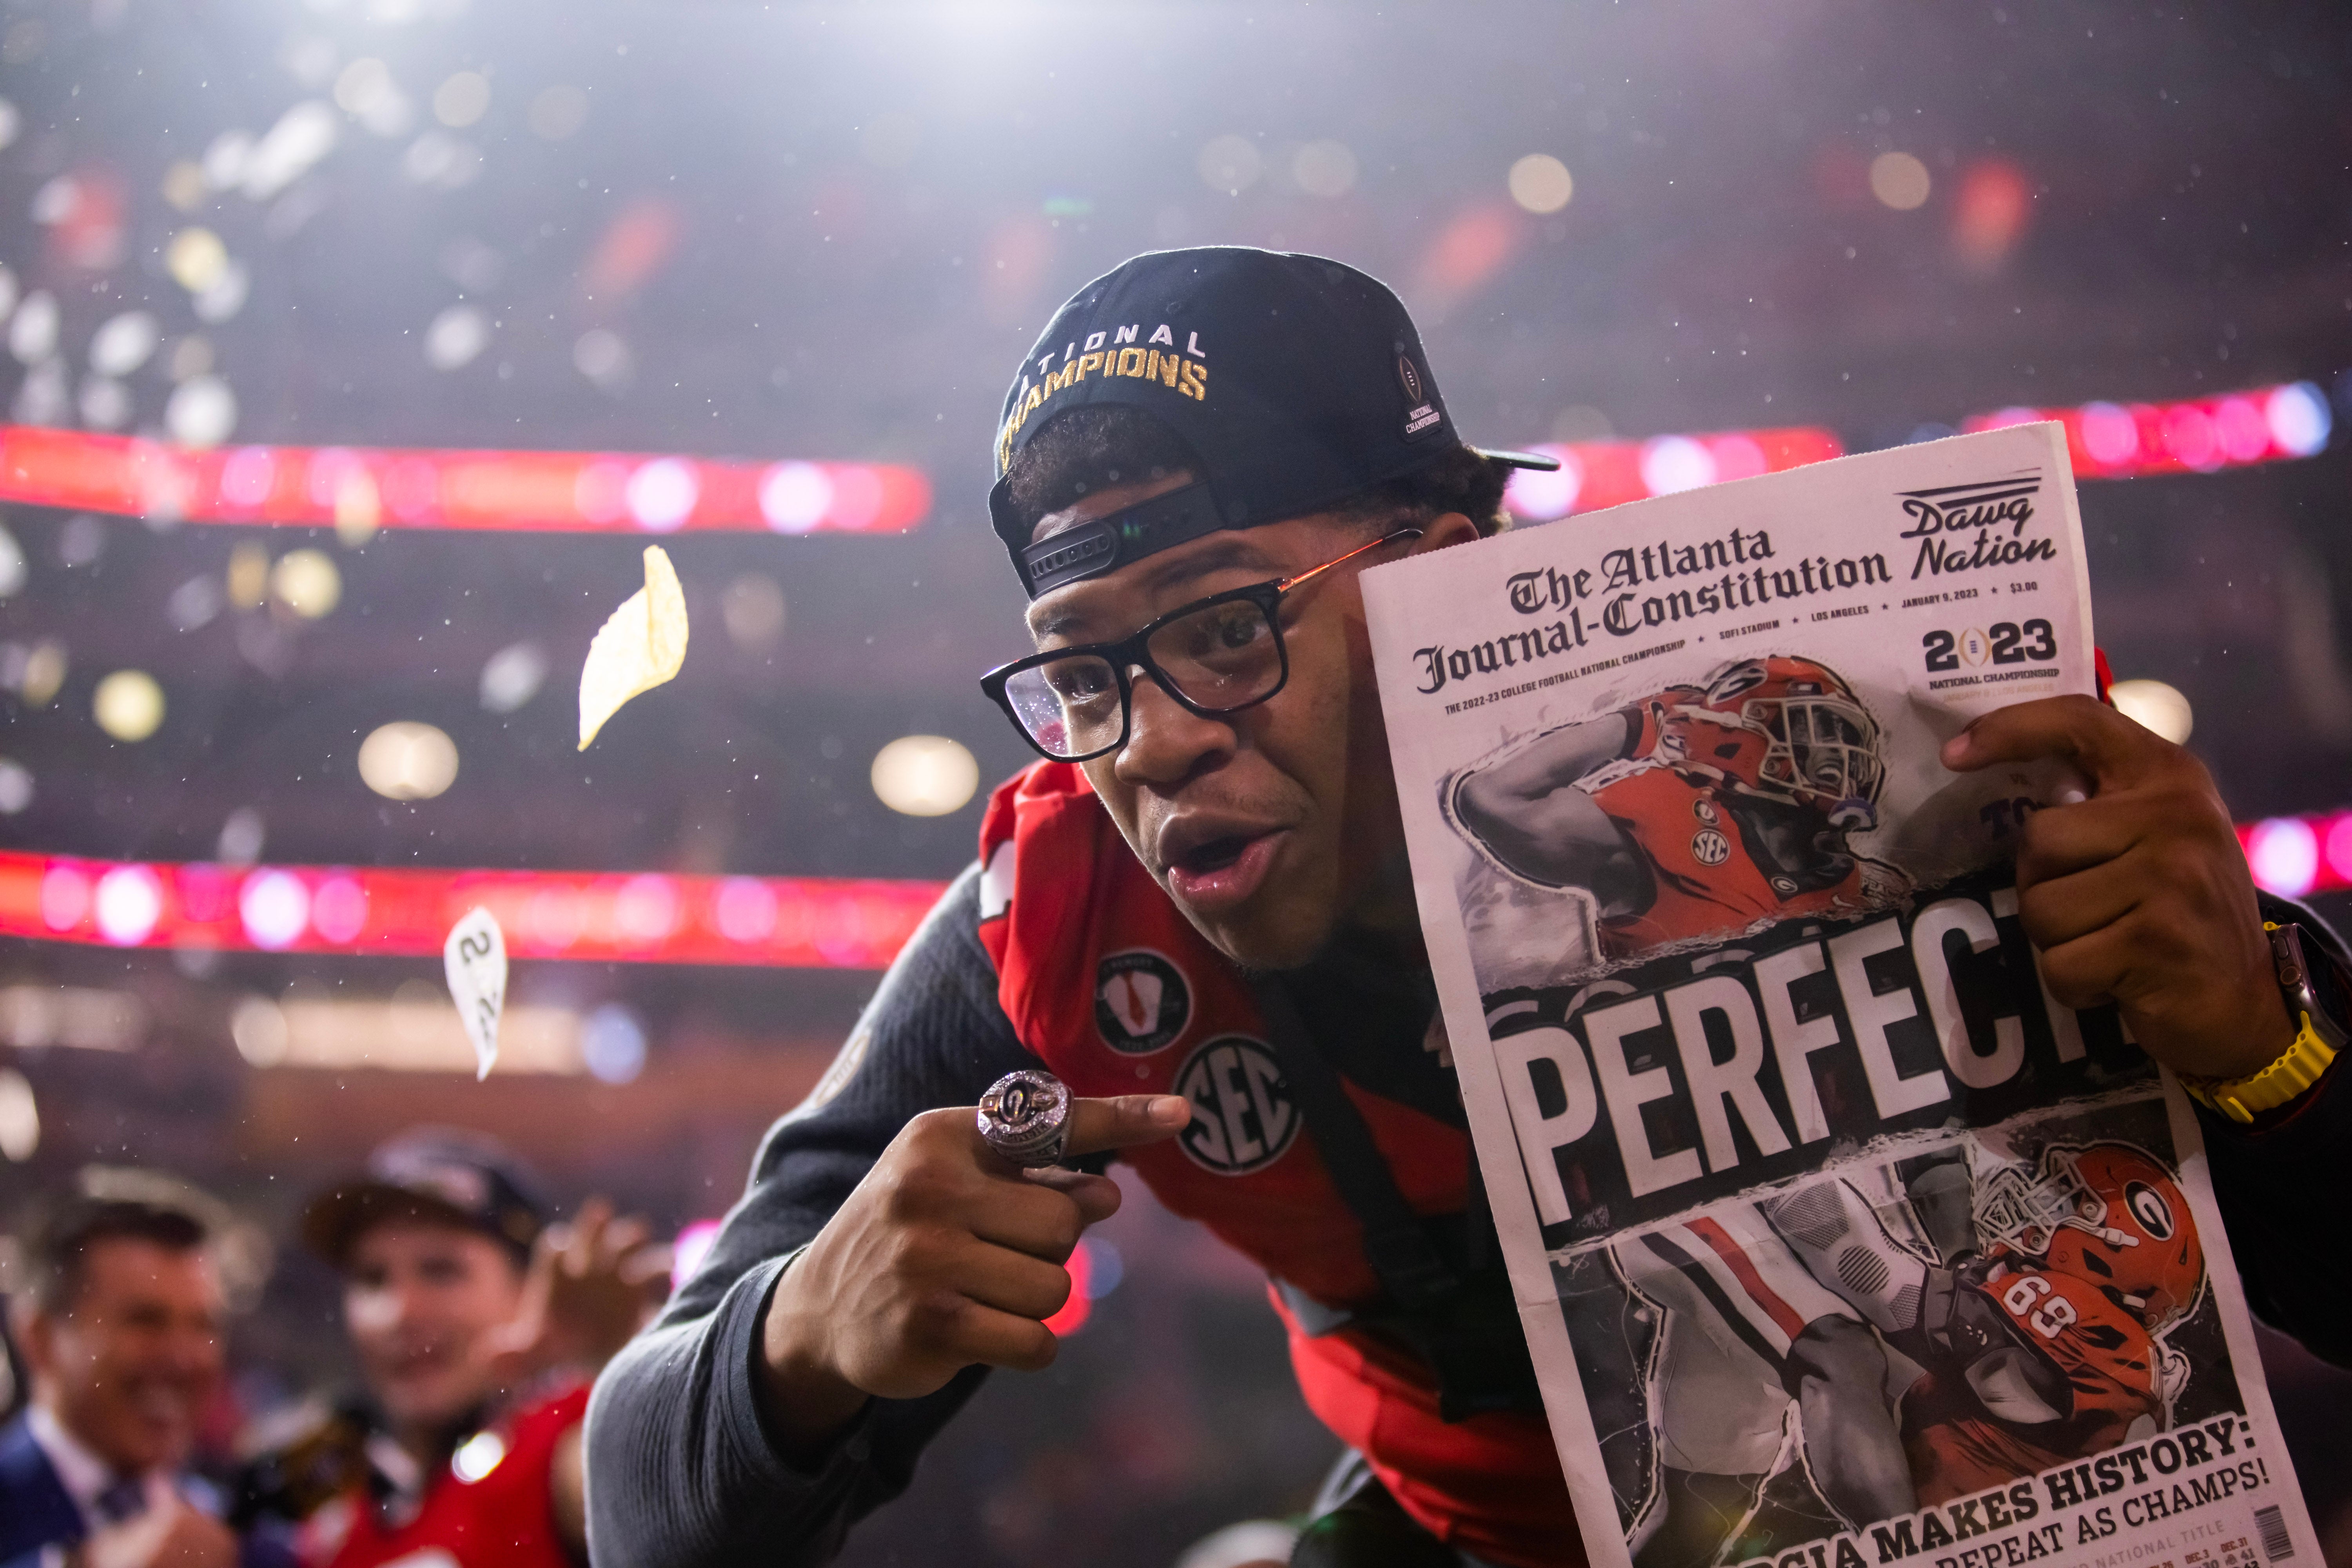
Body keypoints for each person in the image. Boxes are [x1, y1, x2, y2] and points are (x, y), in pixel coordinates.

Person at [584, 246, 2352, 1568]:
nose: (1157, 745)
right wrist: (800, 1333)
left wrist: (2269, 1046)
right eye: (1085, 674)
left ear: (1442, 574)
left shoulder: (1856, 759)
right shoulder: (1056, 920)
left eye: (1223, 626)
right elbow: (632, 1494)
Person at [268, 1128, 661, 1568]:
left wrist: (625, 1374)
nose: (400, 1311)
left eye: (440, 1270)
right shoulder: (333, 1503)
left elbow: (665, 1484)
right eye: (372, 1279)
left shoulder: (559, 1445)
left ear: (529, 1289)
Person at [1451, 656, 1902, 962]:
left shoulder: (1878, 885)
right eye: (1815, 730)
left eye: (1844, 736)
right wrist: (1635, 725)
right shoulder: (1665, 814)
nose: (1836, 758)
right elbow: (1493, 799)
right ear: (1739, 734)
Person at [1, 1171, 249, 1568]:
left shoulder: (235, 1532)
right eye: (146, 1320)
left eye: (204, 1326)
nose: (184, 1359)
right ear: (41, 1340)